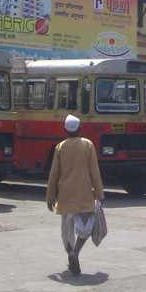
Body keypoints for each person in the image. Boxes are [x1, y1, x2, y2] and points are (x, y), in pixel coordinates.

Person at [46, 114, 105, 276]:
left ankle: (70, 252)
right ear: (80, 128)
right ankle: (76, 252)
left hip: (65, 195)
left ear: (65, 129)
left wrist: (50, 196)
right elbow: (94, 172)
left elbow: (54, 174)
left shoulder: (60, 147)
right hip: (84, 194)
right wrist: (99, 193)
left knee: (67, 229)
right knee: (86, 227)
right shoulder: (88, 145)